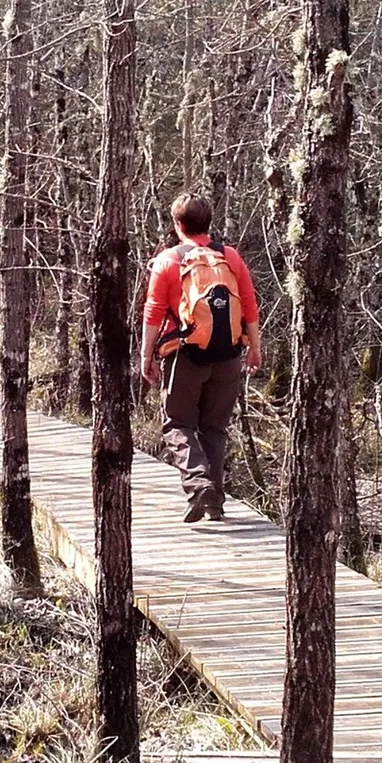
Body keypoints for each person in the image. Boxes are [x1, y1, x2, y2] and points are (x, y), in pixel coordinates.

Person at [140, 194, 262, 522]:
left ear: (178, 225)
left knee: (177, 423)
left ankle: (198, 484)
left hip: (185, 354)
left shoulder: (167, 261)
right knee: (215, 427)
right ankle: (215, 503)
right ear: (208, 223)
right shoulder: (230, 257)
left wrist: (145, 355)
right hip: (228, 354)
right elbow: (248, 304)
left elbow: (152, 312)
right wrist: (254, 347)